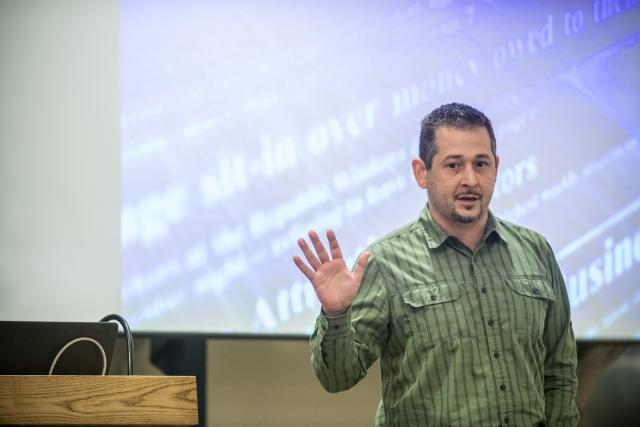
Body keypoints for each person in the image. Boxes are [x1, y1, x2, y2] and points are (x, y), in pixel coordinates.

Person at [293, 103, 579, 426]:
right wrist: (336, 314)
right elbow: (337, 377)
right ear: (421, 172)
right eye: (453, 165)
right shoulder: (385, 263)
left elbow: (560, 371)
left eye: (481, 164)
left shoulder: (536, 251)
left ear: (496, 167)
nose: (470, 179)